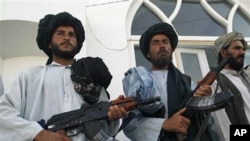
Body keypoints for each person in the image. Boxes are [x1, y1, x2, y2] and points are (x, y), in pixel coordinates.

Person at [0, 12, 127, 141]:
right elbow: (3, 112)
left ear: (77, 44)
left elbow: (106, 132)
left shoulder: (91, 78)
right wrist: (38, 134)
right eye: (60, 33)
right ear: (49, 43)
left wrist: (113, 117)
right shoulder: (30, 76)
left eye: (71, 34)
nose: (67, 37)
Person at [121, 22, 218, 141]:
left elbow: (207, 122)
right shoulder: (140, 83)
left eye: (165, 42)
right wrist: (164, 124)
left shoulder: (187, 82)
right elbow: (130, 124)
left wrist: (203, 102)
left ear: (171, 49)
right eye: (155, 43)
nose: (161, 46)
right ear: (148, 53)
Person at [211, 32, 249, 141]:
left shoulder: (246, 79)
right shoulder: (216, 82)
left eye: (243, 49)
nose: (242, 52)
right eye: (237, 48)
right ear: (223, 52)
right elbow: (223, 127)